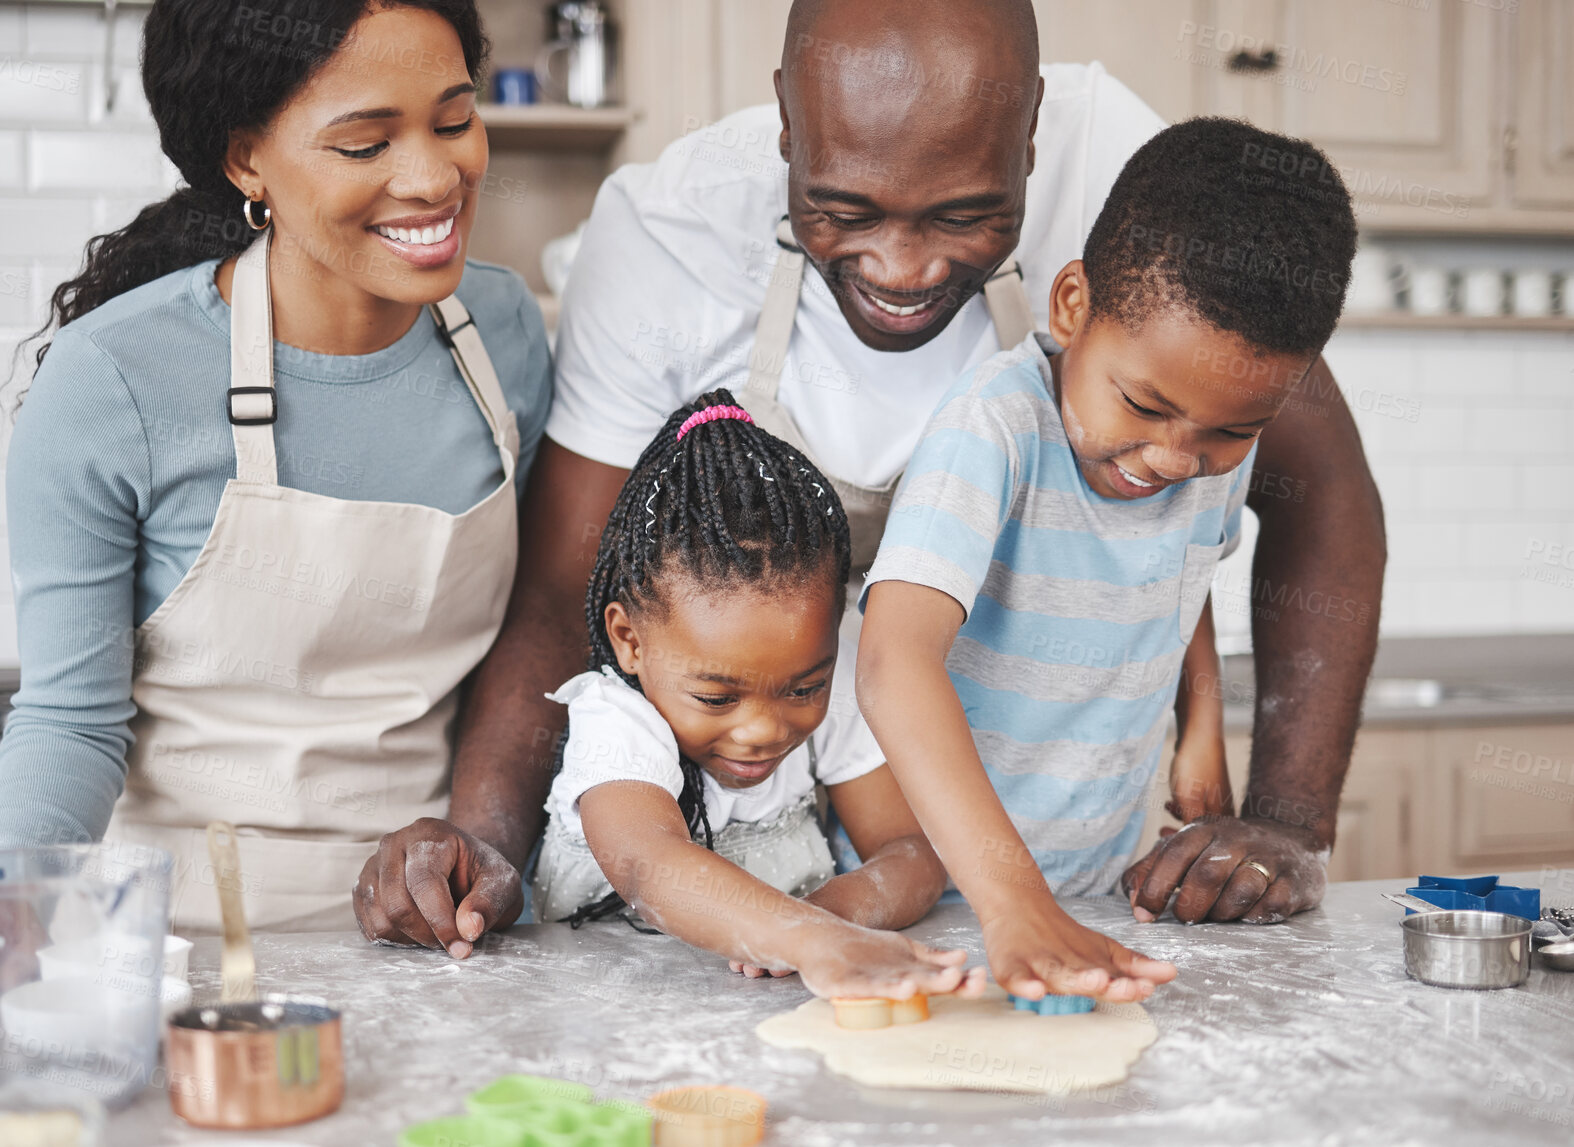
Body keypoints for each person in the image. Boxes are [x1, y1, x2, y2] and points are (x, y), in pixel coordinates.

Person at [356, 0, 1385, 955]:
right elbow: (561, 589)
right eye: (843, 209)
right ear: (784, 131)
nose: (901, 268)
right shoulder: (667, 234)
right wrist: (482, 841)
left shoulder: (1129, 174)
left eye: (964, 217)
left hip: (1053, 882)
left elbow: (1311, 499)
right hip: (835, 863)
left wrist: (1285, 822)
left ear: (1032, 135)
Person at [0, 0, 551, 1027]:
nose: (433, 177)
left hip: (442, 942)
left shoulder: (504, 336)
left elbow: (529, 635)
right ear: (247, 159)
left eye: (451, 119)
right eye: (364, 141)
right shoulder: (111, 380)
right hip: (178, 965)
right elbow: (73, 721)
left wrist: (485, 848)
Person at [858, 117, 1358, 999]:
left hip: (1083, 891)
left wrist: (1199, 724)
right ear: (1071, 305)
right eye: (1143, 403)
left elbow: (1181, 578)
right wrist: (1009, 896)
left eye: (1232, 432)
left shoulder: (1203, 461)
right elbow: (893, 664)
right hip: (926, 903)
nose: (1173, 457)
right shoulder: (994, 430)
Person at [531, 390, 980, 1000]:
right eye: (717, 698)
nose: (765, 729)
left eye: (804, 688)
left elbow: (912, 853)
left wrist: (836, 916)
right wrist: (805, 936)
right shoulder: (616, 719)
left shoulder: (831, 671)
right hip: (605, 1021)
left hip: (762, 1019)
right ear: (629, 639)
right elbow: (650, 865)